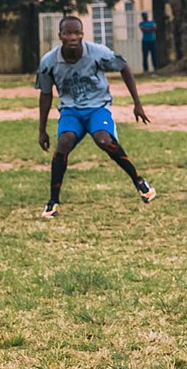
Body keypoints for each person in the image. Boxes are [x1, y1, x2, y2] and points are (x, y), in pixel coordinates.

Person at [36, 16, 156, 218]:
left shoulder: (98, 53)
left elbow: (124, 67)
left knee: (103, 139)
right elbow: (45, 94)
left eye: (77, 33)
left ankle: (139, 181)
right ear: (60, 36)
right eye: (68, 33)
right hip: (70, 111)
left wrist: (137, 103)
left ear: (83, 35)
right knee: (63, 143)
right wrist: (41, 130)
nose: (73, 37)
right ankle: (52, 202)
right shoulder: (48, 62)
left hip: (97, 108)